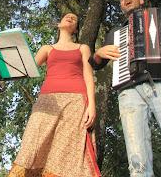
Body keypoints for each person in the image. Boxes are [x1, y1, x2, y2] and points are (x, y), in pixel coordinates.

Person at [91, 0, 161, 177]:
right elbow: (96, 65)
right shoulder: (115, 33)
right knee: (136, 159)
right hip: (128, 90)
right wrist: (98, 54)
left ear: (140, 0)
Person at [8, 13, 101, 177]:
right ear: (58, 24)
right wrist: (4, 73)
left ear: (75, 29)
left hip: (76, 102)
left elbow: (88, 76)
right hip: (47, 100)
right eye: (67, 16)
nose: (71, 18)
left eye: (75, 18)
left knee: (67, 152)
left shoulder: (82, 48)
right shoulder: (47, 48)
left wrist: (92, 106)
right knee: (32, 143)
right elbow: (27, 69)